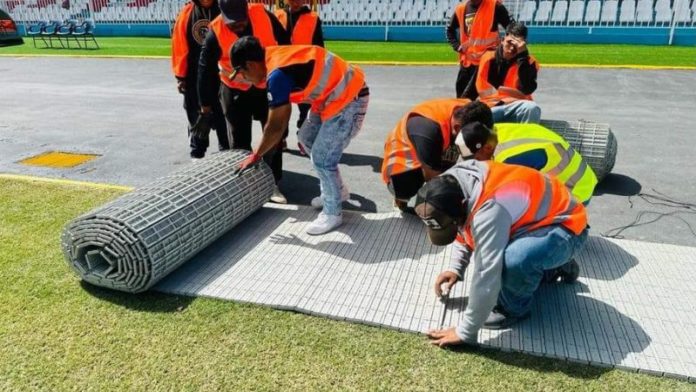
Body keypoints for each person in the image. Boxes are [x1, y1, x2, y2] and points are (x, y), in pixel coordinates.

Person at [415, 160, 588, 347]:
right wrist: (456, 268)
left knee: (514, 260)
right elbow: (462, 227)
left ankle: (513, 309)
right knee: (517, 254)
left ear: (463, 204)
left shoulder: (490, 208)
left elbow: (487, 273)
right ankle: (551, 262)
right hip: (534, 221)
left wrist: (465, 331)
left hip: (568, 227)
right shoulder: (452, 183)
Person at [232, 36, 369, 235]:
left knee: (322, 158)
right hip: (331, 97)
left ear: (251, 64)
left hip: (349, 98)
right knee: (306, 139)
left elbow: (277, 125)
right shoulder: (272, 59)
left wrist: (256, 155)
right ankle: (337, 192)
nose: (243, 78)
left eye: (242, 72)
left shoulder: (276, 74)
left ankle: (333, 213)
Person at [195, 0, 289, 203]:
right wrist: (205, 108)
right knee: (238, 140)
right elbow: (205, 70)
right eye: (232, 22)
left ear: (247, 9)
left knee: (273, 136)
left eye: (240, 20)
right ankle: (245, 187)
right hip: (235, 89)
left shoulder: (263, 15)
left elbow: (285, 44)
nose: (237, 25)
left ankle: (272, 183)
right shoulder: (215, 31)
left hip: (267, 85)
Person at [381, 100, 493, 212]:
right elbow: (433, 178)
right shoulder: (428, 130)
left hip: (436, 143)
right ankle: (401, 200)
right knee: (424, 186)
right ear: (458, 128)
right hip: (404, 164)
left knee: (454, 164)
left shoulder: (472, 112)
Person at [455, 122, 598, 204]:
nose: (475, 163)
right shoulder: (494, 131)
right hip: (571, 174)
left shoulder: (508, 158)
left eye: (475, 158)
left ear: (486, 148)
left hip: (576, 190)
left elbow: (508, 199)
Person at [171, 0, 228, 160]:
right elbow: (179, 45)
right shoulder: (187, 13)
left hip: (222, 77)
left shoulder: (225, 9)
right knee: (197, 120)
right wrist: (180, 76)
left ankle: (227, 154)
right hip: (194, 78)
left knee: (224, 118)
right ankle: (197, 155)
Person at [468, 22, 541, 123]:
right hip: (490, 106)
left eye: (517, 45)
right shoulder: (488, 58)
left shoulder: (530, 62)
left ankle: (525, 137)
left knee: (532, 108)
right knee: (470, 117)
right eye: (510, 43)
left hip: (517, 106)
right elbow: (475, 86)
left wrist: (522, 56)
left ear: (523, 45)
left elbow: (527, 89)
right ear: (502, 40)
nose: (512, 49)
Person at [274, 0, 324, 134]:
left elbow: (319, 47)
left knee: (306, 107)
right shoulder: (277, 16)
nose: (295, 3)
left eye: (299, 0)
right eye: (292, 0)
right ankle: (281, 137)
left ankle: (303, 137)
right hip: (283, 67)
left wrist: (318, 69)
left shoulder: (313, 18)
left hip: (305, 69)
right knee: (280, 105)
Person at [446, 0, 511, 99]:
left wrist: (505, 47)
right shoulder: (461, 8)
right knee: (462, 100)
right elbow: (449, 30)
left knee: (493, 99)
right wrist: (457, 46)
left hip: (490, 62)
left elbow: (511, 27)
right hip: (468, 63)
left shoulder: (495, 6)